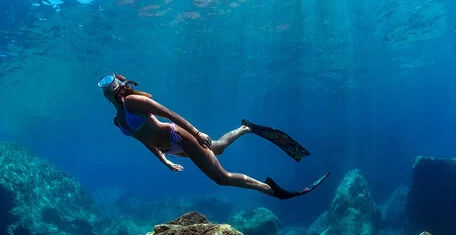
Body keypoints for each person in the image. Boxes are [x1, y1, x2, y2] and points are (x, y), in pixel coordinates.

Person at [97, 73, 328, 200]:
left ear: (117, 87)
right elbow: (144, 141)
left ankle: (270, 190)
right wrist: (165, 160)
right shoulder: (119, 120)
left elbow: (170, 115)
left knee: (221, 177)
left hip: (179, 138)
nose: (105, 89)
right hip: (171, 149)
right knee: (217, 147)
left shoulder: (133, 102)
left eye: (108, 84)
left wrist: (197, 133)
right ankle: (245, 128)